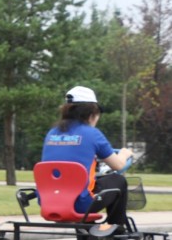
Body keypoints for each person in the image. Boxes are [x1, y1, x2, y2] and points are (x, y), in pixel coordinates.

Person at [41, 86, 134, 231]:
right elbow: (119, 165)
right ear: (92, 113)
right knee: (118, 181)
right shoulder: (92, 134)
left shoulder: (52, 133)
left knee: (90, 185)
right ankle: (115, 229)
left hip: (48, 201)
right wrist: (125, 153)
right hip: (79, 203)